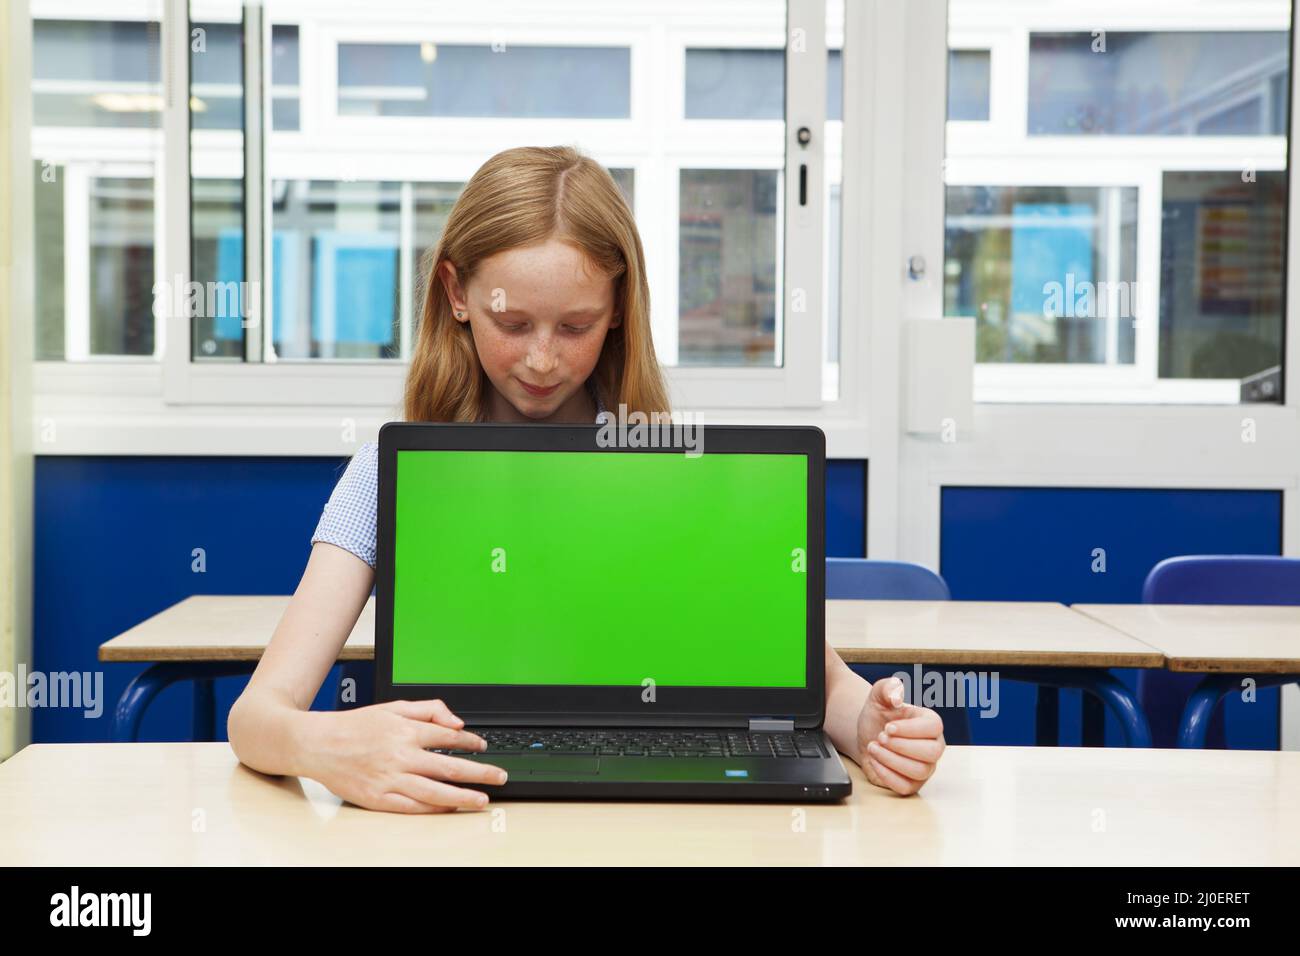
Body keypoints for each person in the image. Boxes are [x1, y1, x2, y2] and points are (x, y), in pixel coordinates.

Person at [227, 145, 945, 812]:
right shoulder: (386, 476)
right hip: (453, 813)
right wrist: (324, 746)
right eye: (514, 324)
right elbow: (256, 716)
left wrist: (875, 730)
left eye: (574, 326)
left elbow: (825, 690)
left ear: (617, 312)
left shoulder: (674, 467)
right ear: (456, 292)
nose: (541, 359)